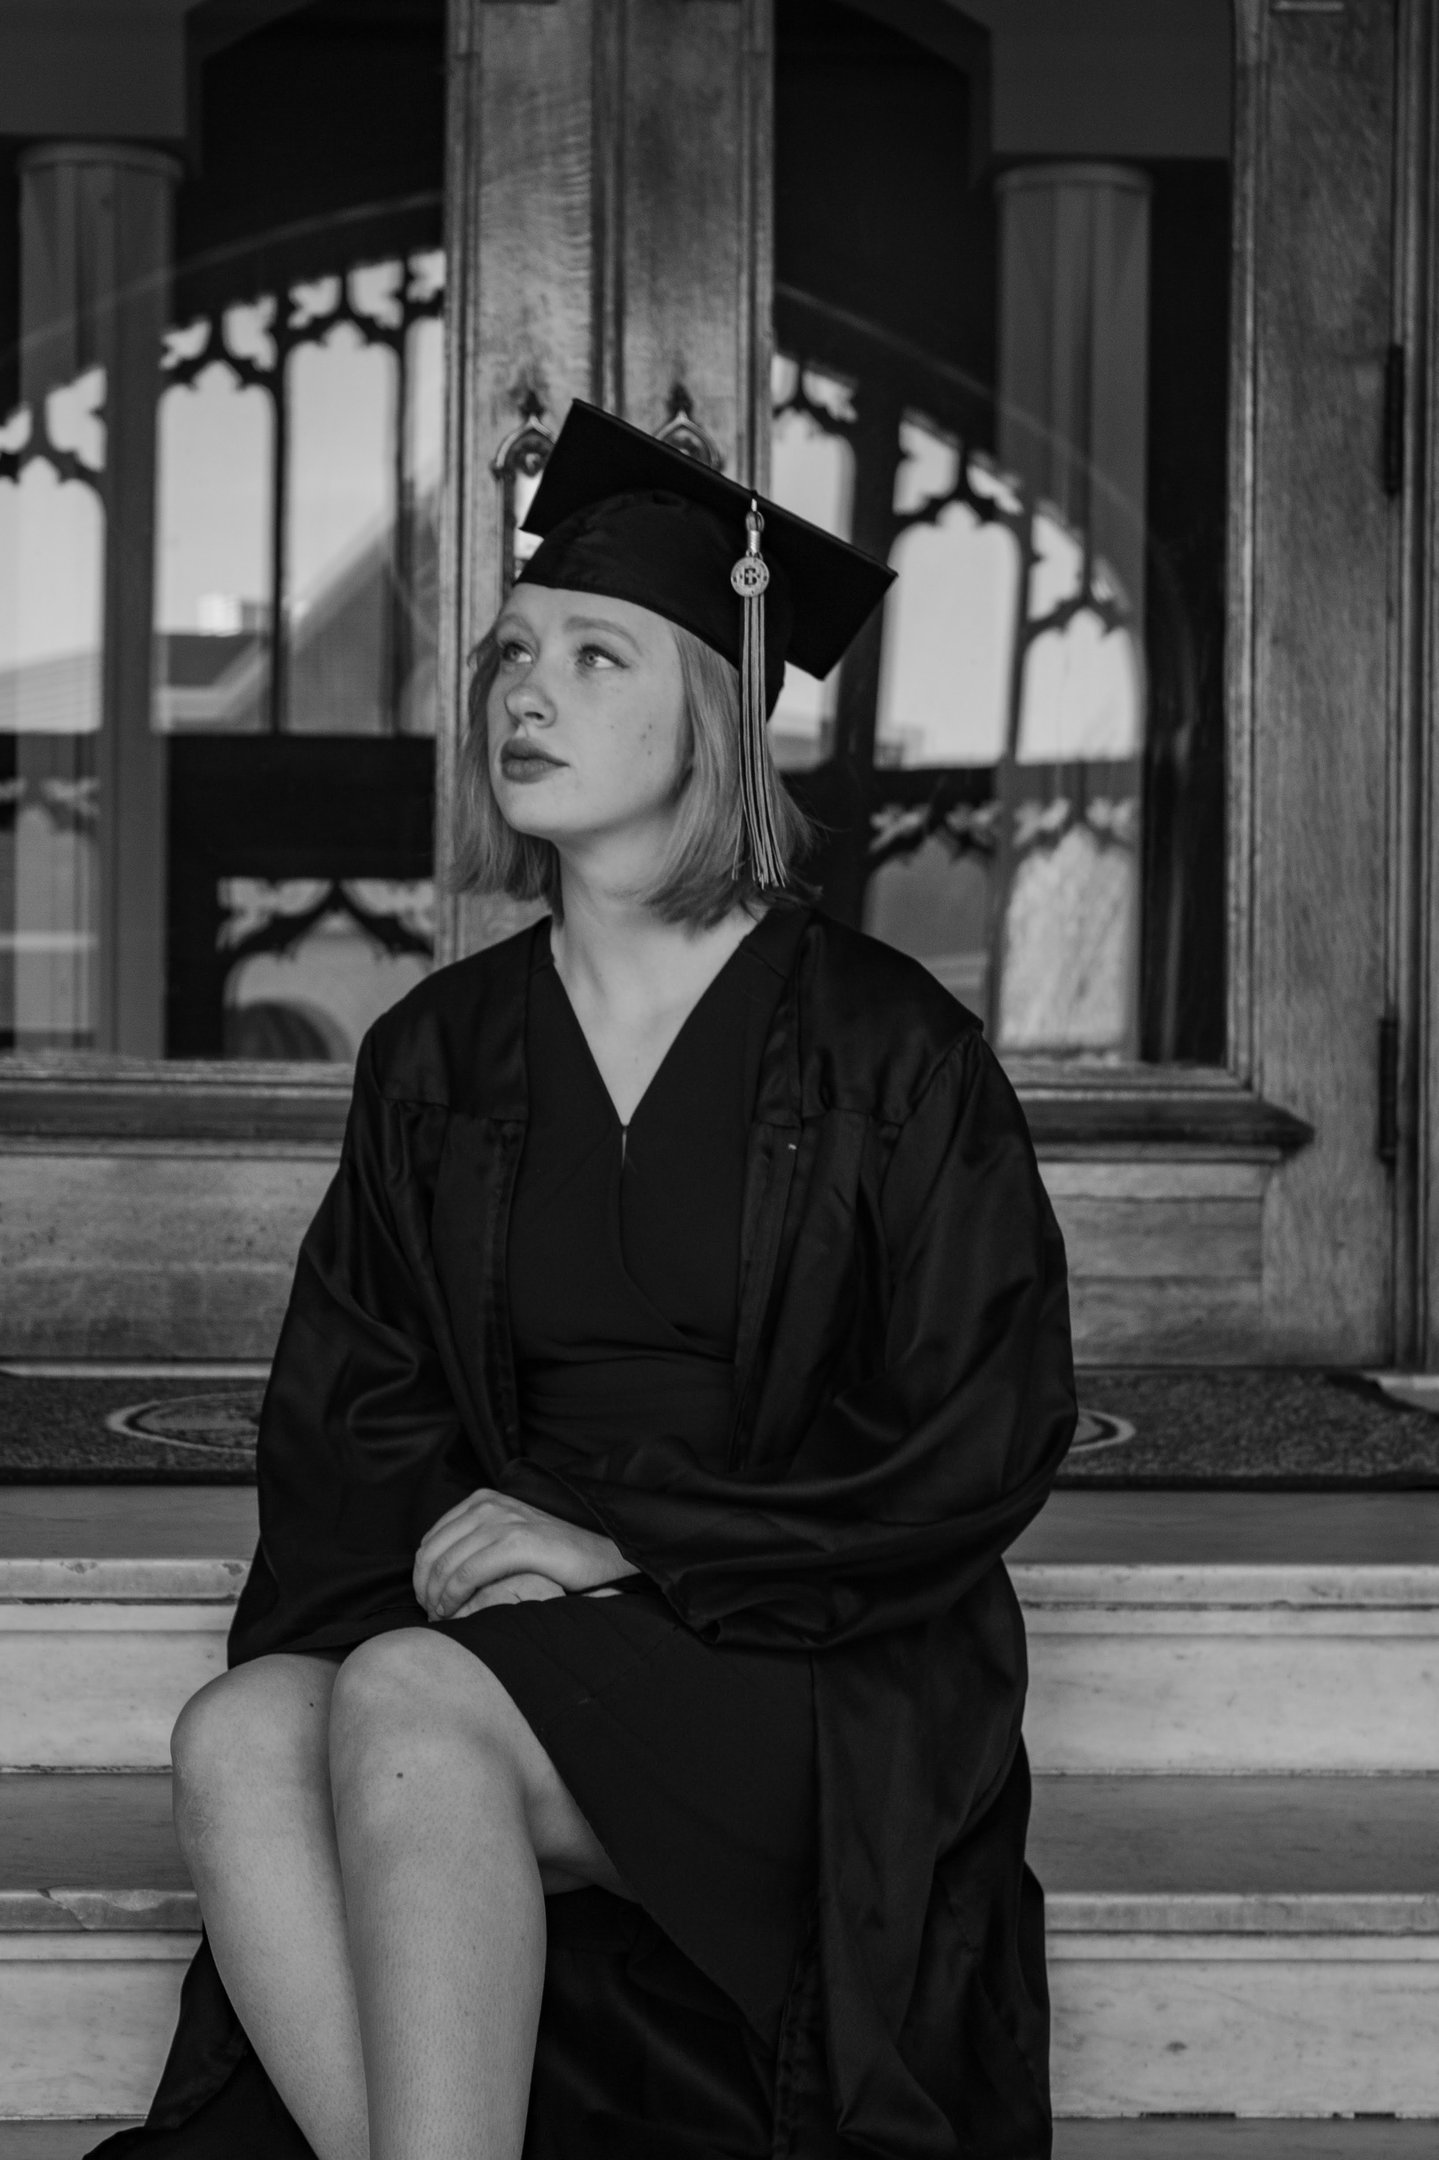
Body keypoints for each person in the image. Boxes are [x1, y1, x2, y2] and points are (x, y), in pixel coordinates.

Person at [90, 402, 1075, 2160]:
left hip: (801, 1650)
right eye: (510, 657)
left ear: (709, 708)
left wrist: (632, 1546)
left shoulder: (889, 1051)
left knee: (408, 1701)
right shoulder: (438, 1053)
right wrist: (484, 1575)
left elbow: (977, 1430)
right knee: (241, 1734)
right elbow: (352, 1421)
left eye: (591, 655)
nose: (522, 695)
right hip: (513, 1634)